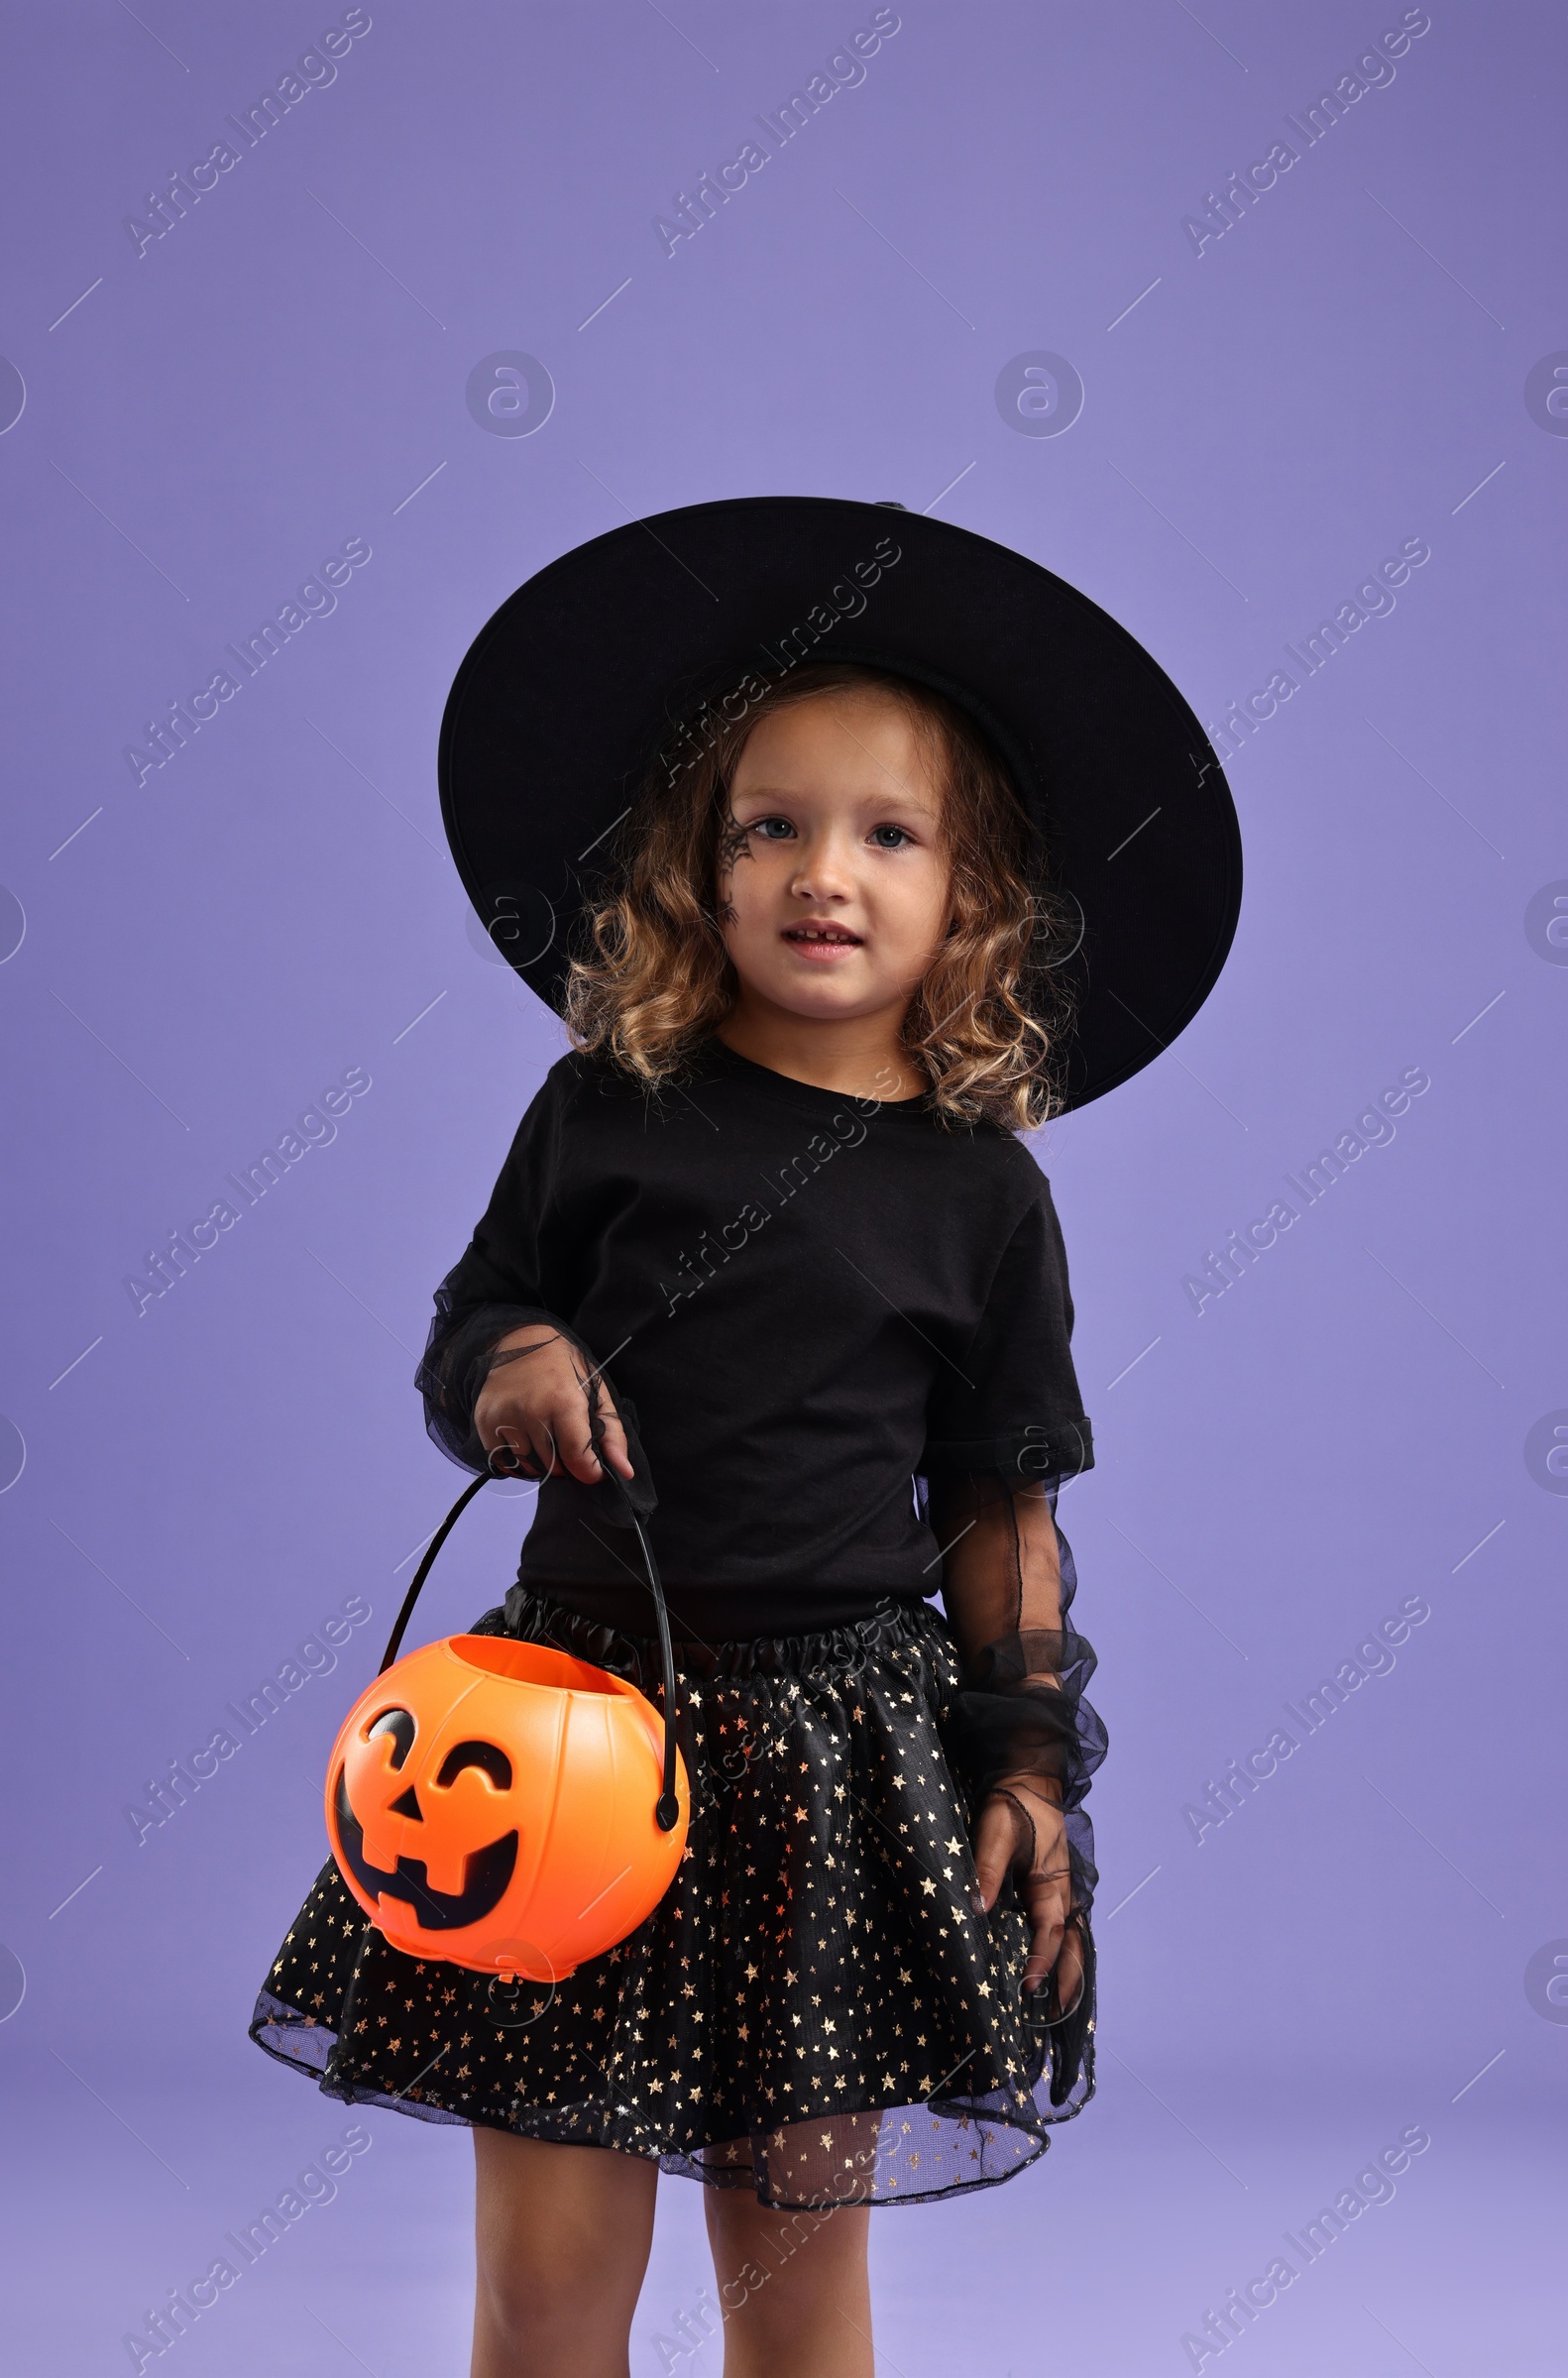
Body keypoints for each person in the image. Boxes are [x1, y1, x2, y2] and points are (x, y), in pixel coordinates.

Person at [250, 499, 1239, 2378]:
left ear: (975, 896)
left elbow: (1002, 1505)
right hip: (561, 1736)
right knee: (543, 2292)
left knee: (796, 2285)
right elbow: (469, 1321)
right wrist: (514, 1358)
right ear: (694, 870)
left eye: (888, 833)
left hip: (832, 1758)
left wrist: (1029, 1772)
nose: (823, 872)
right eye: (768, 826)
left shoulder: (981, 1199)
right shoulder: (601, 1109)